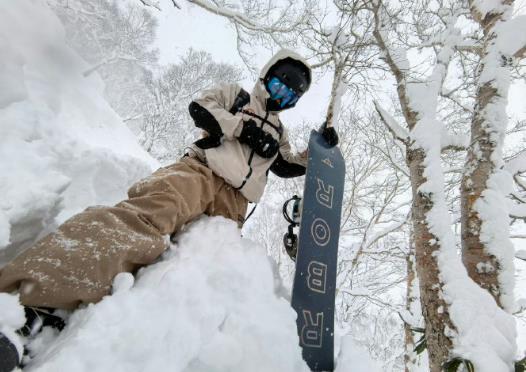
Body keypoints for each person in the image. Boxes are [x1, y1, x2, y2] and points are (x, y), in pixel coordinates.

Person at [0, 49, 338, 371]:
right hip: (200, 172)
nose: (282, 95)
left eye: (291, 95)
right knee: (145, 220)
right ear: (267, 76)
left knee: (202, 270)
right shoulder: (236, 96)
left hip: (234, 205)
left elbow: (287, 166)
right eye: (280, 84)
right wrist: (241, 127)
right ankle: (25, 301)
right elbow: (200, 107)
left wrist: (316, 152)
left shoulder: (280, 132)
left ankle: (139, 337)